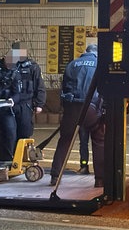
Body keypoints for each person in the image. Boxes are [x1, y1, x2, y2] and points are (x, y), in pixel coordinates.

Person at [49, 43, 105, 188]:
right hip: (92, 108)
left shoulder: (72, 64)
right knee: (99, 140)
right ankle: (100, 179)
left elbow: (64, 87)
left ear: (85, 52)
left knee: (65, 140)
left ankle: (55, 176)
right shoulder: (100, 64)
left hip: (72, 107)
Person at [9, 43, 46, 140]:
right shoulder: (8, 65)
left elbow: (39, 85)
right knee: (8, 132)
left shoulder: (32, 66)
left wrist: (39, 104)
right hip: (10, 103)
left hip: (26, 104)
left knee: (25, 131)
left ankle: (22, 154)